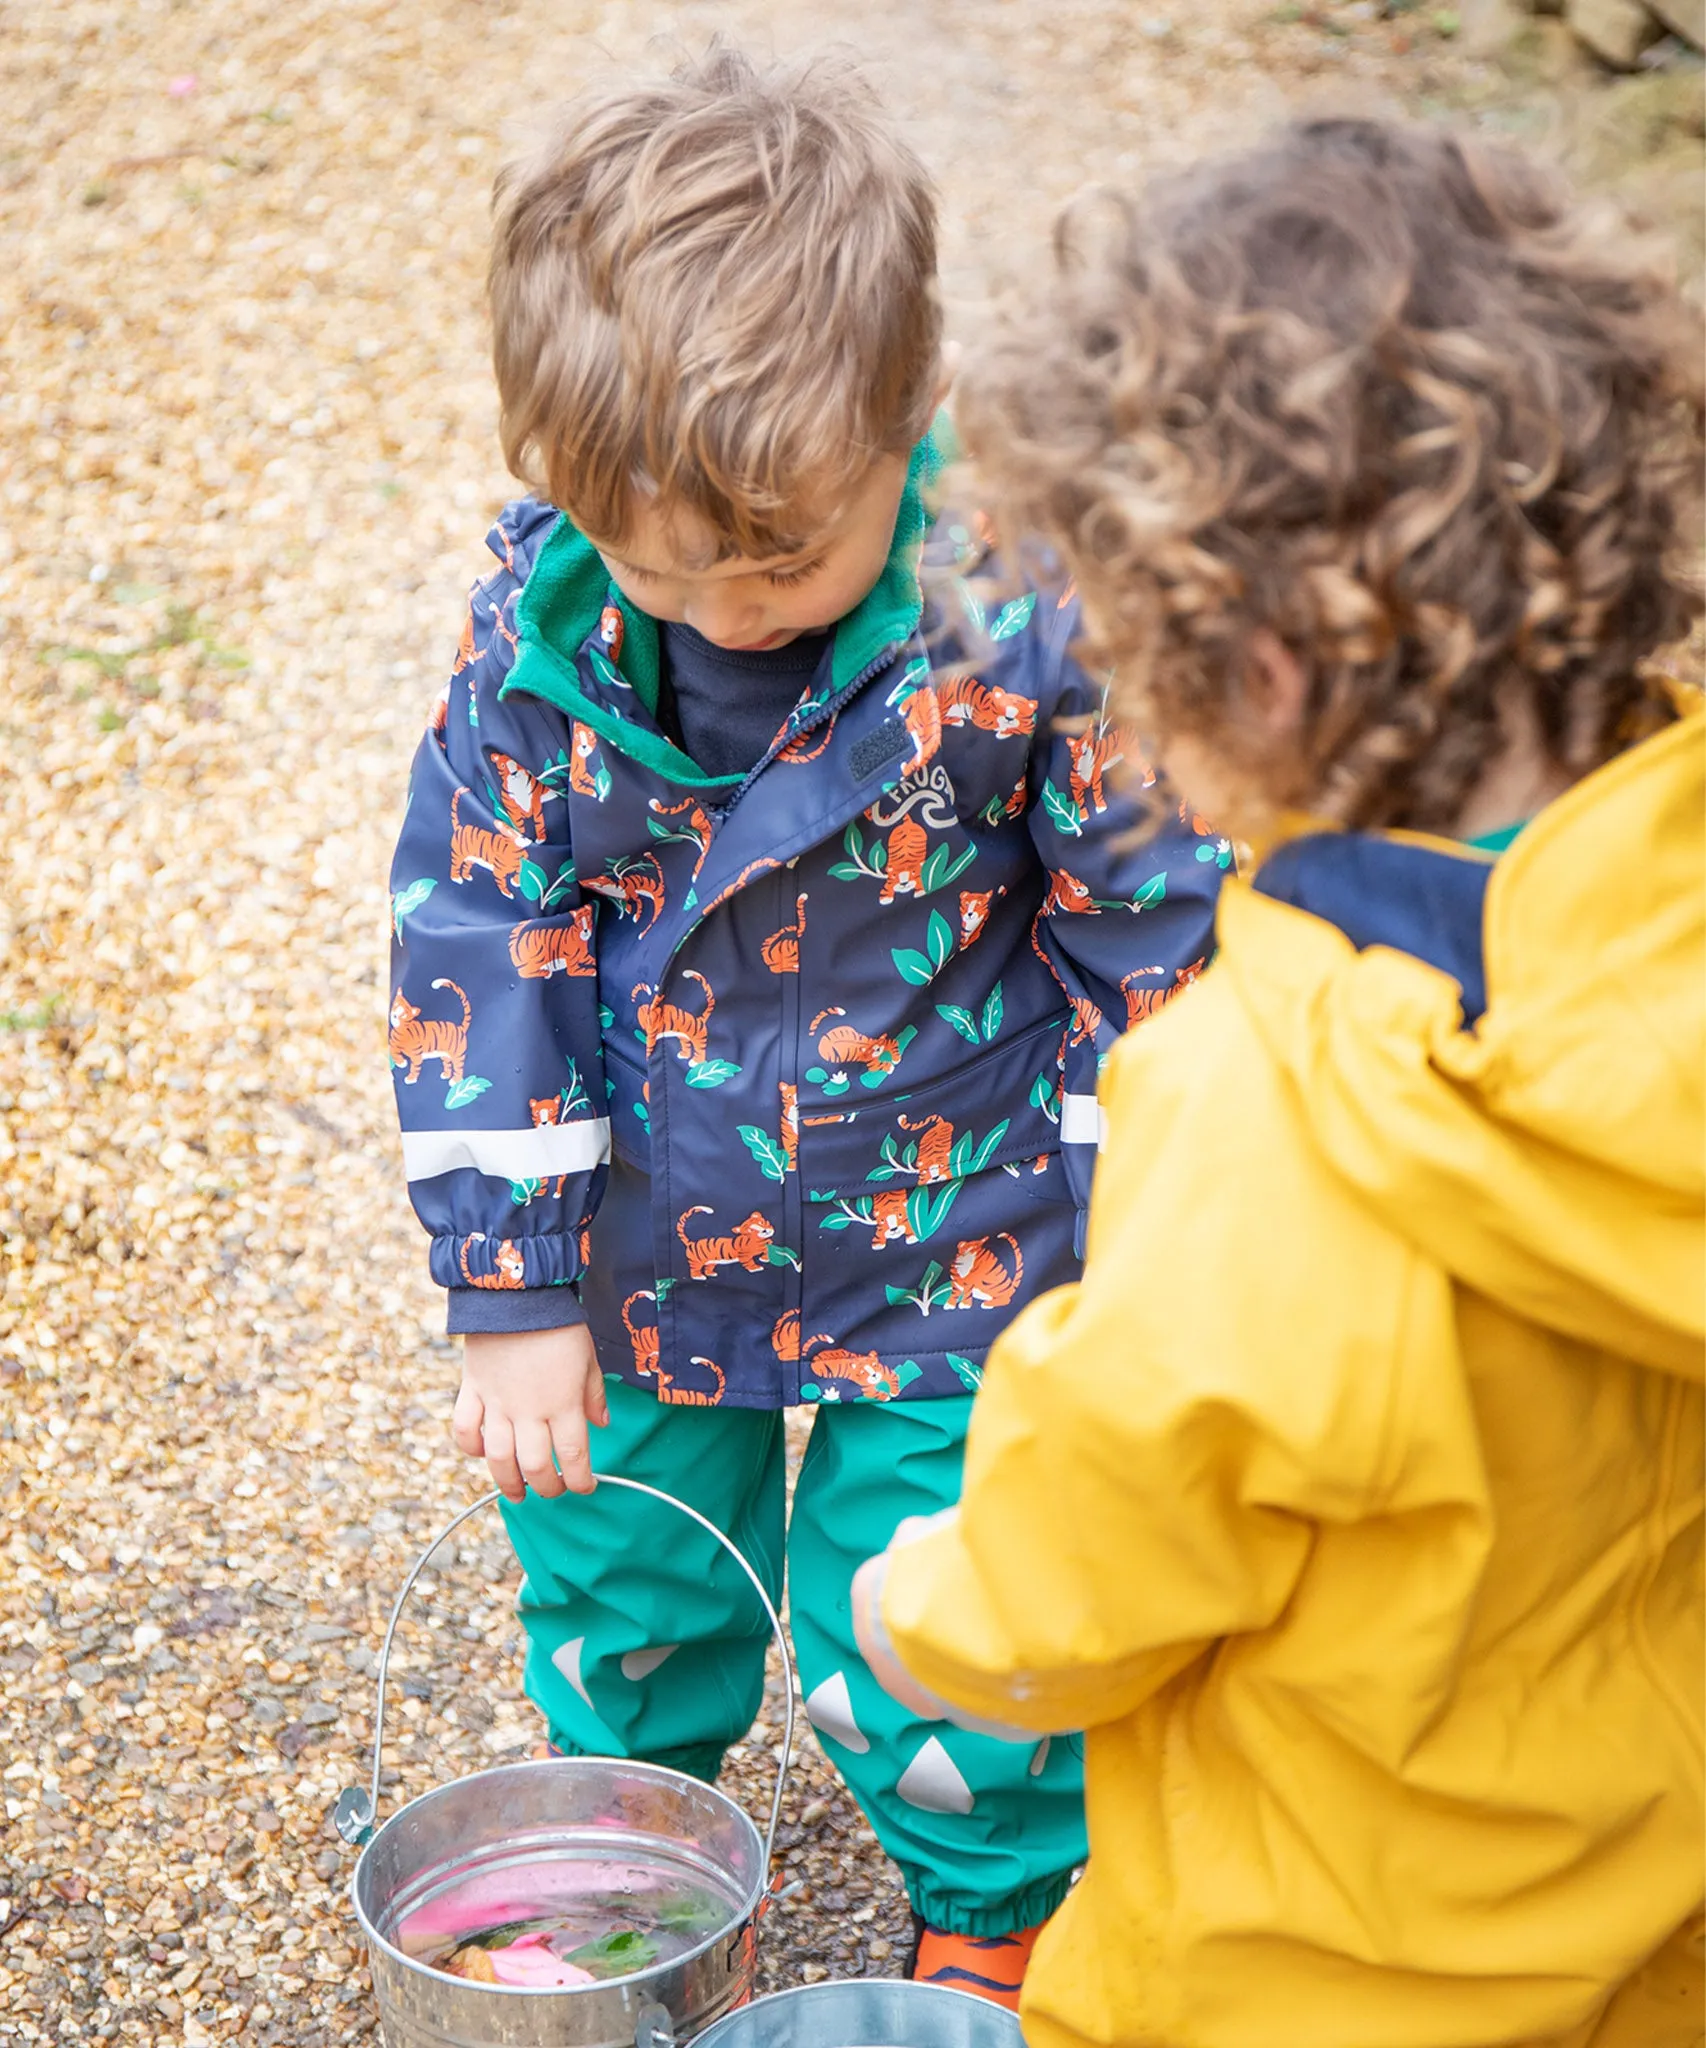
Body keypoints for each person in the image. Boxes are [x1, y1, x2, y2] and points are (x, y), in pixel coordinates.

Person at [853, 117, 1705, 2047]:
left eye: (1129, 656)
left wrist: (938, 1607)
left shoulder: (1277, 1104)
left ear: (1260, 674)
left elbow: (1118, 1509)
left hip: (1313, 1972)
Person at [385, 44, 1223, 2004]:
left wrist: (1166, 1218)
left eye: (784, 553)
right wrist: (509, 1289)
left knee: (930, 1601)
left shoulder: (1018, 621)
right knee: (623, 1578)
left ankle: (992, 1898)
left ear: (907, 419)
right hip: (643, 1242)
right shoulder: (541, 652)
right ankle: (635, 1870)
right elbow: (476, 937)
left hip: (954, 1242)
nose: (729, 604)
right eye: (664, 559)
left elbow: (1142, 920)